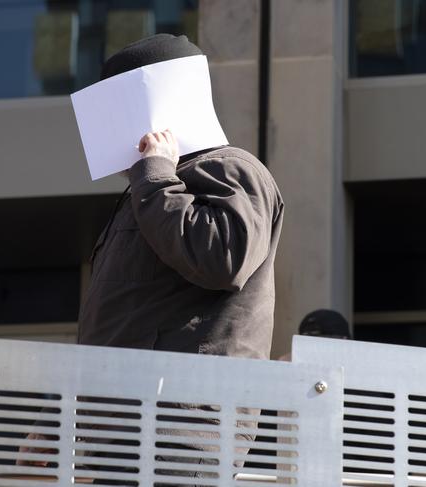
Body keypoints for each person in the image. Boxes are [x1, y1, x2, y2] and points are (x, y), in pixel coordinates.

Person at [77, 33, 284, 363]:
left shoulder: (230, 168)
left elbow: (224, 259)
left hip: (180, 404)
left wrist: (157, 178)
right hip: (121, 402)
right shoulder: (146, 186)